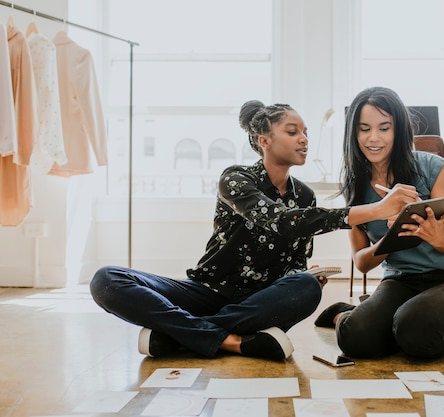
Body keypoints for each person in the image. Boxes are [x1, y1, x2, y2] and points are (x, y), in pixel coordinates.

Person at [89, 100, 416, 361]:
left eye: (305, 132)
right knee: (106, 279)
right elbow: (280, 221)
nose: (304, 139)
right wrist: (373, 210)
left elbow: (294, 262)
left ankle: (177, 336)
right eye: (292, 131)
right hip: (206, 291)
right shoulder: (235, 178)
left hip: (256, 304)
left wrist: (304, 274)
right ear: (264, 140)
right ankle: (233, 342)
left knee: (306, 286)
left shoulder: (304, 195)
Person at [314, 87, 444, 360]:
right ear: (353, 133)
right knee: (355, 339)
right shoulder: (355, 188)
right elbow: (362, 262)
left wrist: (434, 236)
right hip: (401, 282)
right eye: (364, 128)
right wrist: (392, 238)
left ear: (399, 130)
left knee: (415, 331)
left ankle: (412, 323)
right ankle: (354, 314)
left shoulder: (435, 168)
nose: (373, 138)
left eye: (384, 128)